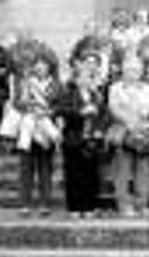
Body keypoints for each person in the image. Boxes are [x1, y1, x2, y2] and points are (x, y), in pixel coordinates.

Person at [108, 54, 149, 216]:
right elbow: (114, 108)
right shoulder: (115, 88)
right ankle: (124, 205)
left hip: (143, 133)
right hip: (123, 133)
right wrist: (130, 122)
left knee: (143, 169)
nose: (133, 73)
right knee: (123, 170)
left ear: (141, 71)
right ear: (123, 70)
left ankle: (141, 204)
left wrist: (145, 120)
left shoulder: (146, 88)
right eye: (129, 69)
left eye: (136, 69)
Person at [14, 53, 62, 217]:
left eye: (44, 64)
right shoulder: (26, 83)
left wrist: (49, 111)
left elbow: (60, 106)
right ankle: (24, 203)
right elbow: (16, 103)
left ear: (50, 67)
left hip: (46, 128)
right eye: (38, 64)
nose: (40, 67)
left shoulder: (56, 85)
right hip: (28, 128)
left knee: (45, 169)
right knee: (26, 169)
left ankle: (45, 203)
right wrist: (27, 104)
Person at [54, 60, 104, 217]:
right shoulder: (68, 94)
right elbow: (60, 110)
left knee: (91, 175)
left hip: (91, 141)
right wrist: (80, 112)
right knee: (73, 175)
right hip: (73, 139)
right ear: (75, 79)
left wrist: (100, 130)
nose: (85, 80)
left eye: (89, 77)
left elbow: (105, 116)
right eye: (81, 77)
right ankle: (74, 208)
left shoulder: (97, 96)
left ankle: (90, 206)